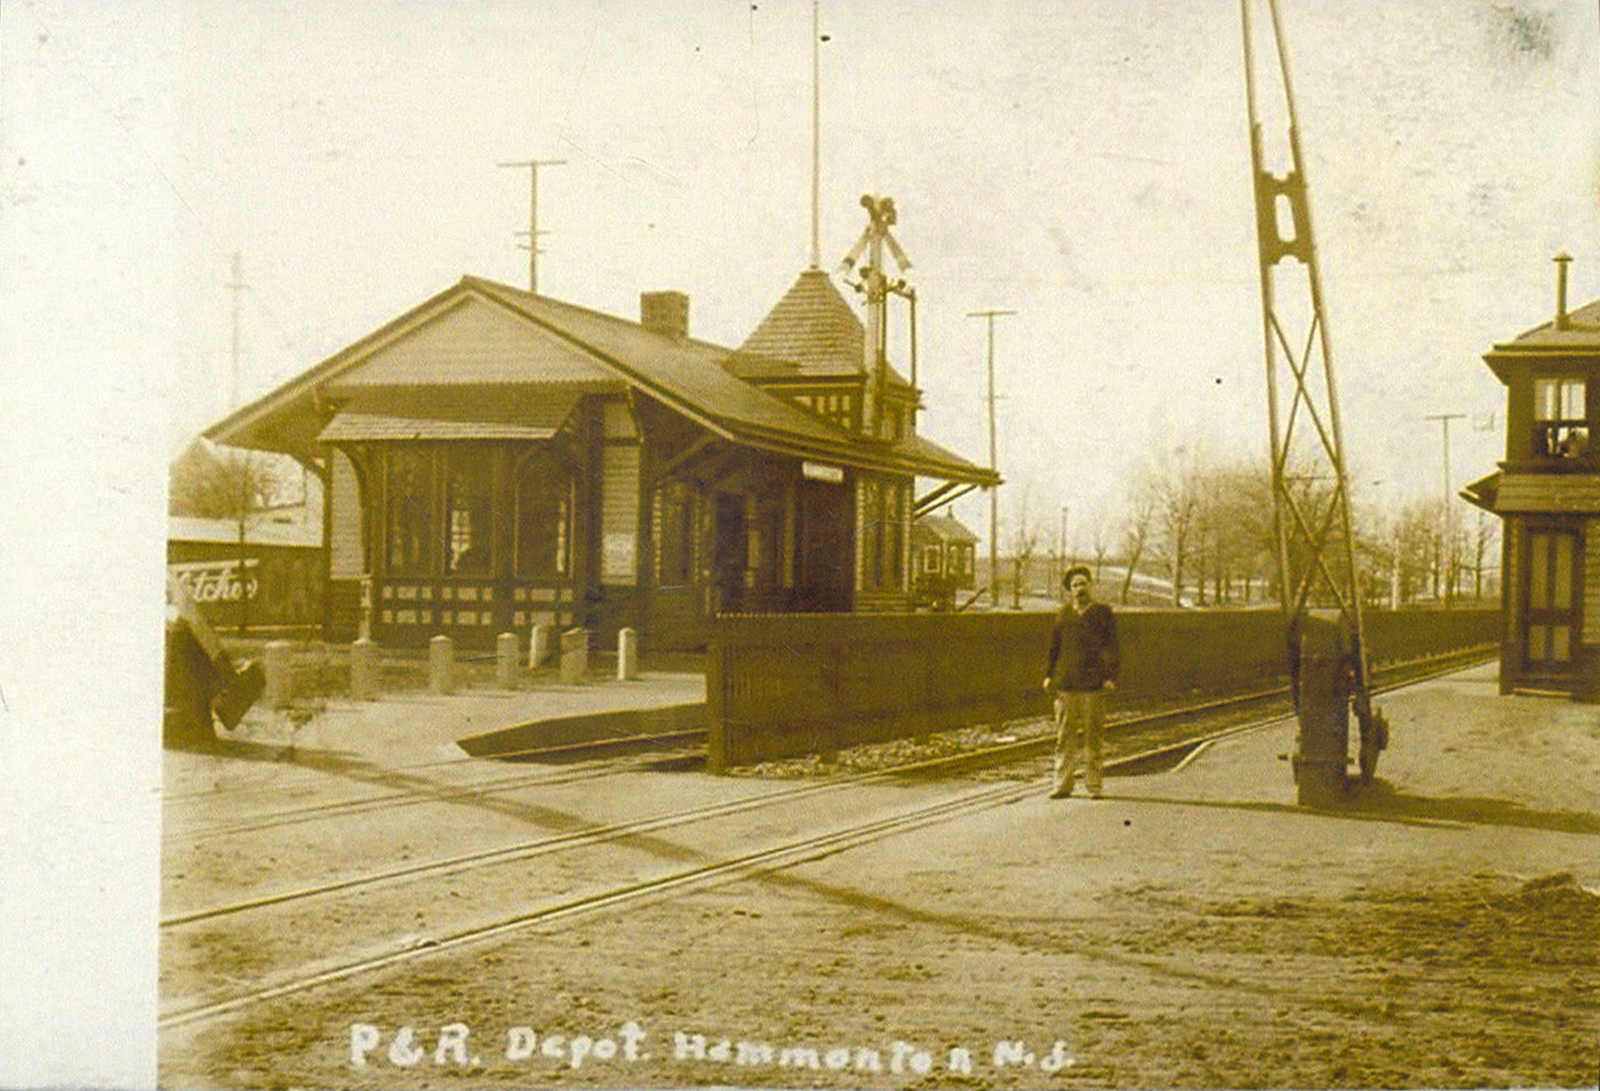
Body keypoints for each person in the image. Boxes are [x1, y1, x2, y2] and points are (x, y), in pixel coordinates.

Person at [1041, 565, 1120, 799]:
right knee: (1064, 737)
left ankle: (1094, 785)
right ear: (1069, 590)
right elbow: (1054, 648)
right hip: (1066, 685)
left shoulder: (1103, 613)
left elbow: (1113, 647)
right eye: (1075, 585)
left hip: (1093, 685)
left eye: (1083, 583)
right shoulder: (1064, 614)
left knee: (1093, 736)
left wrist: (1110, 677)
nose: (1079, 589)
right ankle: (1062, 784)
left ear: (1090, 586)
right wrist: (1048, 675)